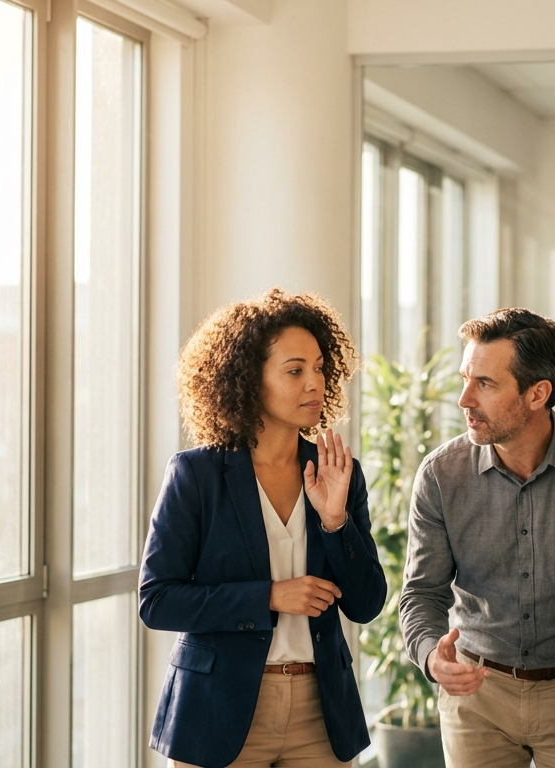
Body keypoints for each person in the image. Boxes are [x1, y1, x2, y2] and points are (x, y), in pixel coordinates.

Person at [138, 289, 386, 768]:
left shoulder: (338, 472)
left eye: (319, 368)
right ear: (249, 379)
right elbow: (157, 600)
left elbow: (367, 604)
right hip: (217, 711)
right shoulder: (197, 475)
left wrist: (336, 523)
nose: (314, 382)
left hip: (321, 711)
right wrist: (269, 596)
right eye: (295, 371)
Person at [400, 308, 555, 768]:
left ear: (538, 393)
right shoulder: (439, 475)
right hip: (476, 699)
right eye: (465, 379)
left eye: (485, 384)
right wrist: (431, 656)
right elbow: (421, 593)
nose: (464, 399)